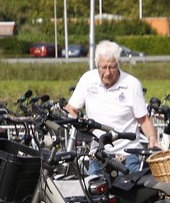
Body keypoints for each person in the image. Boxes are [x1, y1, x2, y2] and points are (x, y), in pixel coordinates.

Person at [65, 40, 161, 172]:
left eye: (112, 67)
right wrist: (84, 126)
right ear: (97, 65)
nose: (108, 73)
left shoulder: (132, 84)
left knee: (130, 185)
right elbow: (71, 108)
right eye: (103, 67)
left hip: (127, 156)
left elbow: (143, 119)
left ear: (118, 64)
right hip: (98, 154)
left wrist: (152, 138)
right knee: (93, 184)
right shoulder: (87, 80)